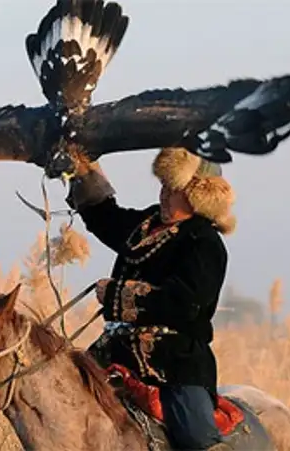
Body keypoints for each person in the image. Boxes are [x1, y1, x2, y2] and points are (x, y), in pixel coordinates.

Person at [65, 147, 236, 451]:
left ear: (198, 196)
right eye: (164, 185)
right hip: (114, 353)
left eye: (174, 188)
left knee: (197, 438)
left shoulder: (204, 242)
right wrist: (82, 167)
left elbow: (186, 304)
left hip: (174, 364)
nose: (164, 194)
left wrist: (116, 295)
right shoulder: (146, 224)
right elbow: (104, 217)